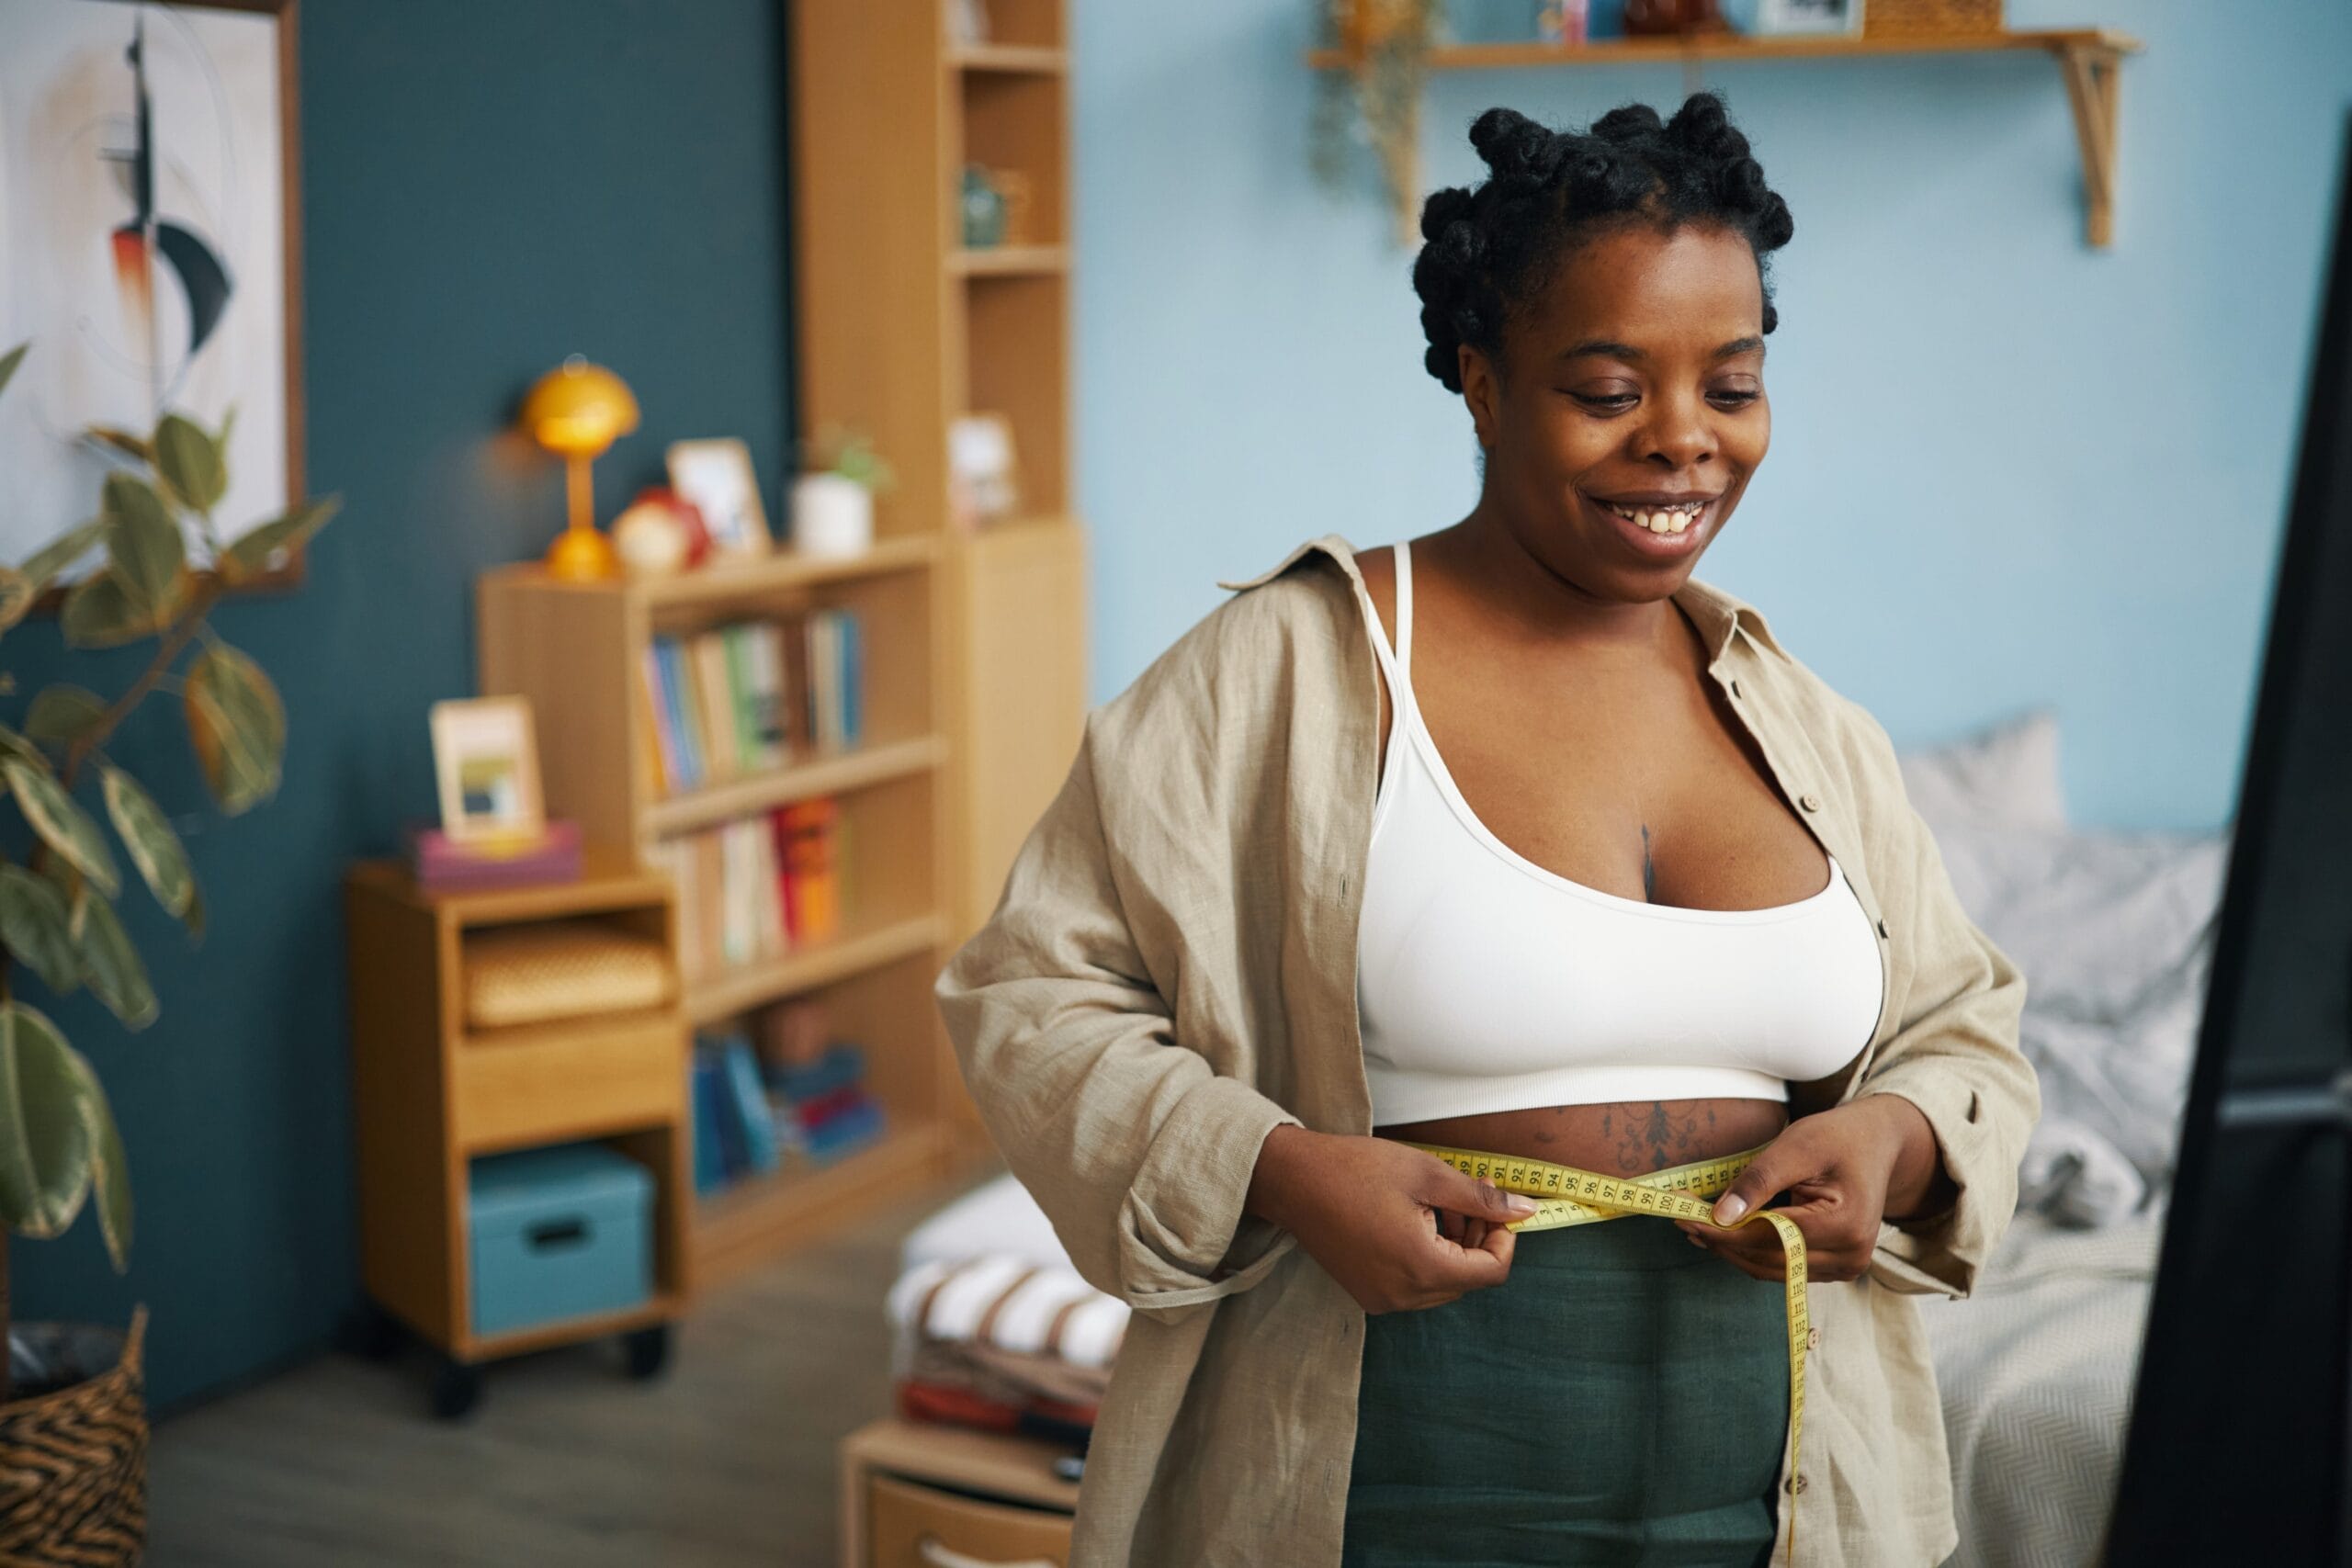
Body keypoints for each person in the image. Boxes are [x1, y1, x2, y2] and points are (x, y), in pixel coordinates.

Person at [936, 92, 2039, 1568]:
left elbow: (1965, 1026)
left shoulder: (1808, 724)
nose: (1684, 444)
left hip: (1786, 1484)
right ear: (1480, 381)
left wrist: (1896, 1142)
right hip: (1393, 1471)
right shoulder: (1292, 669)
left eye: (1732, 384)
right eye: (1607, 389)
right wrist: (1276, 1168)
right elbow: (1031, 993)